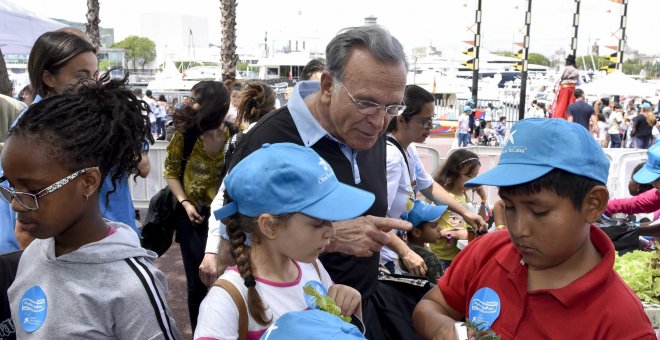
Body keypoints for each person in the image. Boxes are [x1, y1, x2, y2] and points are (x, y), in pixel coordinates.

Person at [204, 26, 427, 339]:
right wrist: (333, 236)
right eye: (366, 103)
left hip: (350, 311)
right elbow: (235, 244)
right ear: (327, 85)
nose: (379, 122)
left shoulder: (369, 128)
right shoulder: (267, 142)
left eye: (392, 107)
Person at [413, 118, 654, 339]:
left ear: (593, 204)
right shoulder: (487, 251)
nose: (518, 229)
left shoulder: (623, 325)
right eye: (509, 207)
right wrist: (445, 329)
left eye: (538, 212)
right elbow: (430, 306)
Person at [4, 75, 180, 339]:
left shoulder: (130, 285)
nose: (17, 205)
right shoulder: (33, 255)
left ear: (87, 182)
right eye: (11, 187)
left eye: (33, 191)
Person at [195, 143, 366, 339]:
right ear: (270, 226)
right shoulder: (226, 300)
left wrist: (351, 310)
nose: (331, 231)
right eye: (318, 221)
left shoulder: (313, 268)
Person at [0, 30, 98, 253]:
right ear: (48, 78)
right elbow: (24, 224)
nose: (92, 84)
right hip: (55, 258)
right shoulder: (35, 128)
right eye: (81, 75)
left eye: (95, 74)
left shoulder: (82, 119)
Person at [382, 85, 486, 275]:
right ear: (402, 120)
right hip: (383, 255)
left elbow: (428, 186)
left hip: (393, 250)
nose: (431, 126)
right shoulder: (391, 158)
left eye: (431, 120)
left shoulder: (408, 149)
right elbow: (376, 218)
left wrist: (465, 213)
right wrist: (405, 251)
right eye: (424, 121)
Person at [165, 80, 232, 331]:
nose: (187, 103)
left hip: (225, 221)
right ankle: (199, 332)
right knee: (196, 284)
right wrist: (184, 203)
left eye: (193, 99)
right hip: (191, 218)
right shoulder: (186, 134)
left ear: (210, 105)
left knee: (225, 280)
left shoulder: (235, 136)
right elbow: (171, 172)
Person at [429, 150, 484, 271]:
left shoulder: (463, 194)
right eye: (469, 176)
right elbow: (429, 231)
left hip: (460, 254)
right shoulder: (443, 197)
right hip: (442, 258)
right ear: (454, 173)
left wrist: (483, 199)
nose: (472, 180)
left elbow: (480, 220)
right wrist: (457, 234)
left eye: (475, 176)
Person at [401, 201, 447, 282]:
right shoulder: (429, 258)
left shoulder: (403, 249)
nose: (440, 229)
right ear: (416, 232)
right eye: (434, 225)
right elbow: (438, 287)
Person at [551, 54, 580, 119]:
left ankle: (558, 118)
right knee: (571, 104)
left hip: (564, 88)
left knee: (562, 104)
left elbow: (558, 78)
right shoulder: (576, 70)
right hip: (572, 89)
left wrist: (554, 87)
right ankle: (569, 118)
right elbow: (580, 82)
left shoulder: (564, 68)